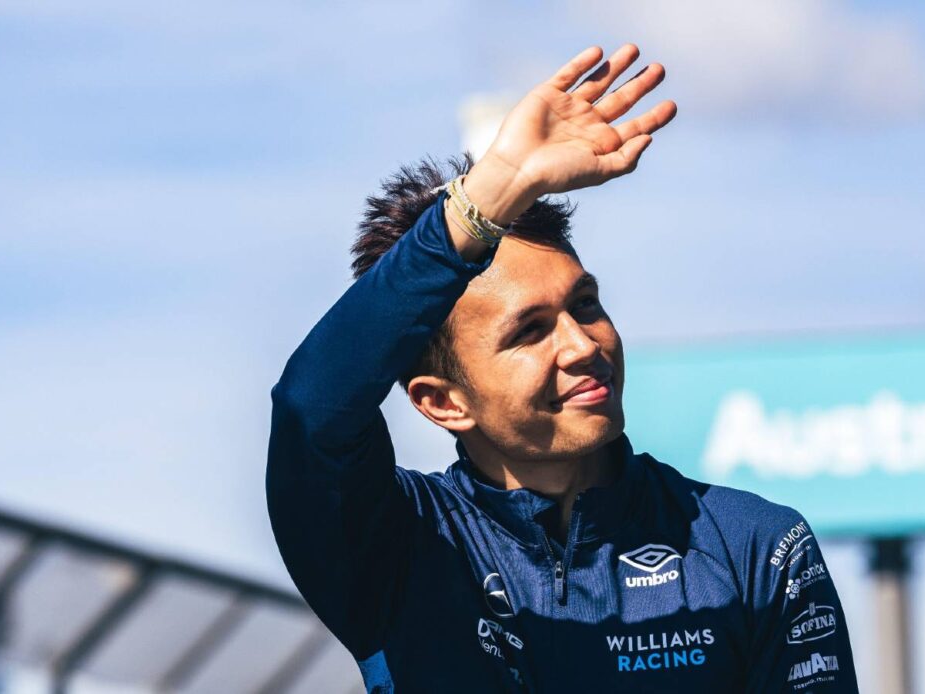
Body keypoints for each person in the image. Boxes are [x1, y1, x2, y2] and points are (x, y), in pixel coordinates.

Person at [266, 44, 858, 693]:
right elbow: (313, 407)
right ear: (441, 402)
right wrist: (488, 198)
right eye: (529, 331)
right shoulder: (396, 545)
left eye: (585, 304)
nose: (582, 345)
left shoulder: (756, 546)